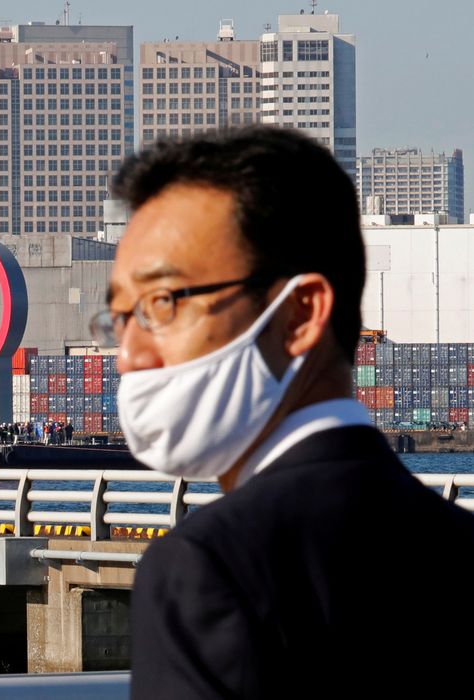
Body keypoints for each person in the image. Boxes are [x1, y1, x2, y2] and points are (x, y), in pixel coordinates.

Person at [94, 126, 474, 699]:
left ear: (300, 315)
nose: (128, 355)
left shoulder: (206, 569)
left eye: (162, 303)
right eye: (120, 319)